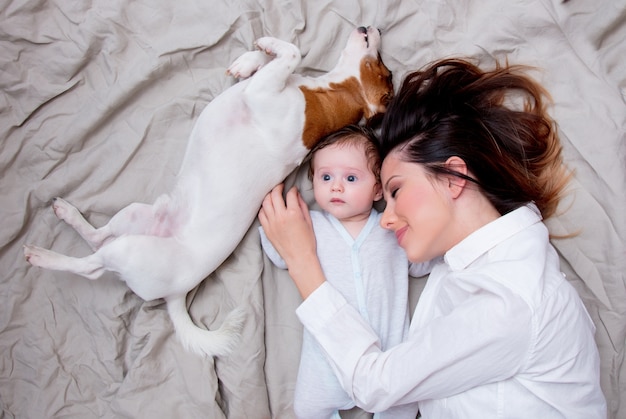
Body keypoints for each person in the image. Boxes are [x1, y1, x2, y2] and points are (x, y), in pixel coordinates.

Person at [258, 58, 607, 418]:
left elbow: (376, 385)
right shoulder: (469, 261)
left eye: (395, 190)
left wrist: (302, 260)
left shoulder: (512, 299)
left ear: (454, 178)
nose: (385, 219)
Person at [259, 125, 431, 419]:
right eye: (326, 177)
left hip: (387, 351)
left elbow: (421, 263)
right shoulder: (309, 224)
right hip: (325, 358)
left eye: (351, 178)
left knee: (403, 404)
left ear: (378, 188)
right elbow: (279, 251)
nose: (336, 186)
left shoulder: (389, 228)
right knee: (308, 408)